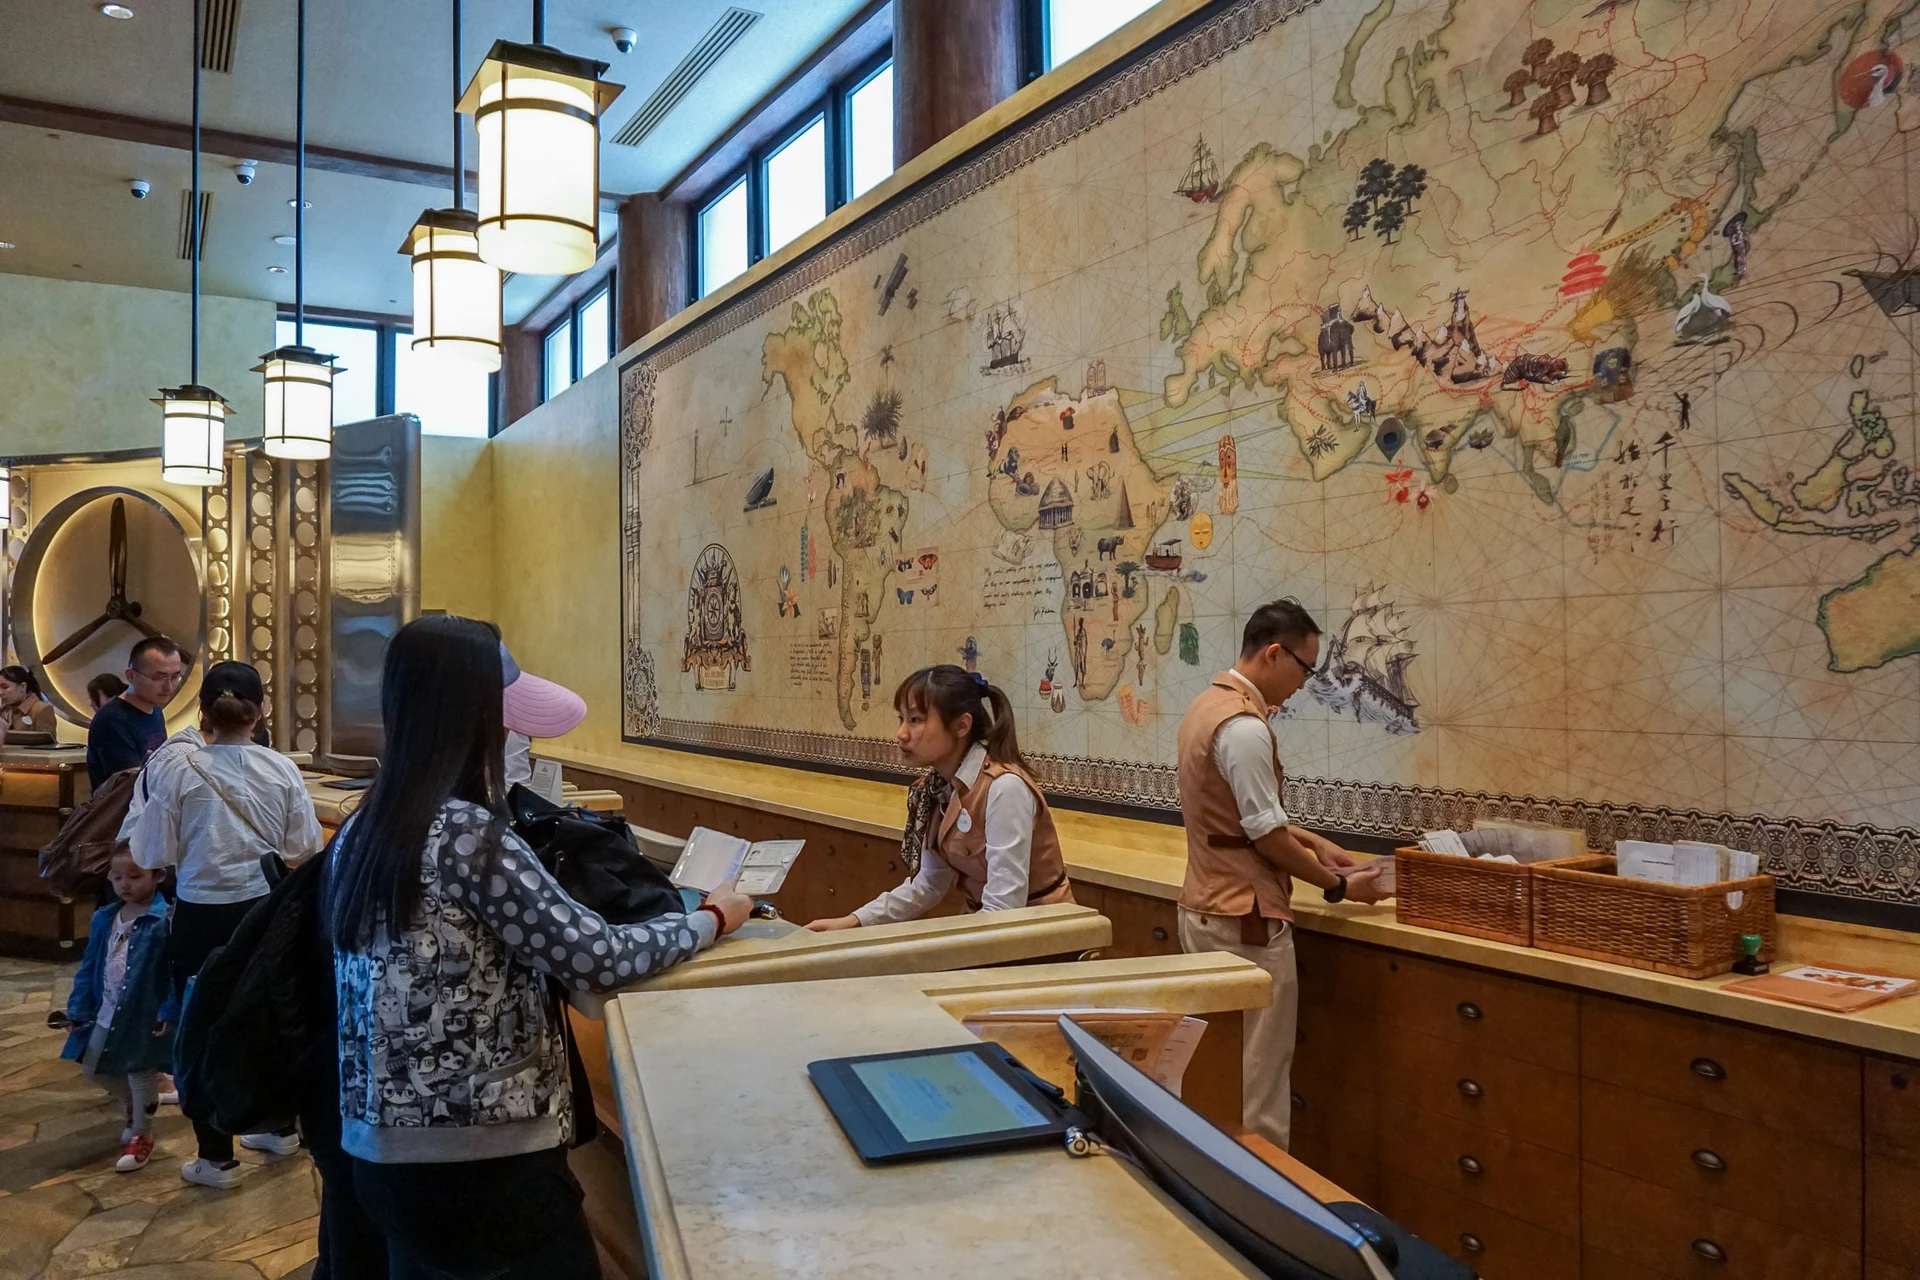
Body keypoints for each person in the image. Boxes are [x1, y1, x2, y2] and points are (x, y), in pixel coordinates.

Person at [327, 615, 752, 1279]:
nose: (516, 737)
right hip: (481, 1166)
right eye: (508, 719)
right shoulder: (470, 836)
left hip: (382, 1155)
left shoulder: (368, 825)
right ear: (469, 719)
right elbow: (597, 956)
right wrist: (712, 918)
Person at [1175, 599, 1387, 1151]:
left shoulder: (1207, 706)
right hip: (1244, 920)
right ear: (1274, 653)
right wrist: (1338, 884)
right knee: (1258, 1083)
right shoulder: (1244, 728)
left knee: (1215, 1071)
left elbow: (1246, 822)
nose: (1305, 683)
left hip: (1206, 907)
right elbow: (1265, 836)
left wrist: (1317, 844)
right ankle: (1264, 1206)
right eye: (1305, 667)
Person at [129, 660, 325, 1188]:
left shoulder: (178, 770)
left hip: (199, 915)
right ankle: (277, 1126)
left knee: (200, 1027)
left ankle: (215, 1156)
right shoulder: (280, 768)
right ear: (259, 714)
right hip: (264, 911)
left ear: (201, 713)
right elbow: (305, 846)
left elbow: (150, 851)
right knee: (268, 1015)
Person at [807, 665, 1073, 931]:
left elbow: (1004, 909)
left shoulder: (1005, 788)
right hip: (985, 927)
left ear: (961, 725)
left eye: (915, 720)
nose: (901, 733)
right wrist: (855, 921)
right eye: (901, 718)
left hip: (1039, 935)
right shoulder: (934, 789)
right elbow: (930, 883)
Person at [61, 846, 176, 1173]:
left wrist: (168, 1010)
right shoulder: (104, 918)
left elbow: (171, 971)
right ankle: (138, 1106)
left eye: (135, 876)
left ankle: (142, 1134)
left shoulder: (164, 920)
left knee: (140, 1069)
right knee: (93, 1067)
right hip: (106, 1009)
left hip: (143, 1013)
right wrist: (78, 1008)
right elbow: (90, 965)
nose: (125, 884)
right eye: (117, 877)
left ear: (157, 875)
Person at [87, 637, 188, 790]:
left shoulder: (155, 711)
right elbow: (129, 785)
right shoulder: (112, 719)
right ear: (131, 676)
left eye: (174, 677)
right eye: (159, 677)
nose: (168, 686)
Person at [0, 664, 56, 744]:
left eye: (5, 687)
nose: (0, 692)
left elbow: (47, 745)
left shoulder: (42, 709)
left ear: (23, 686)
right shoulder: (4, 710)